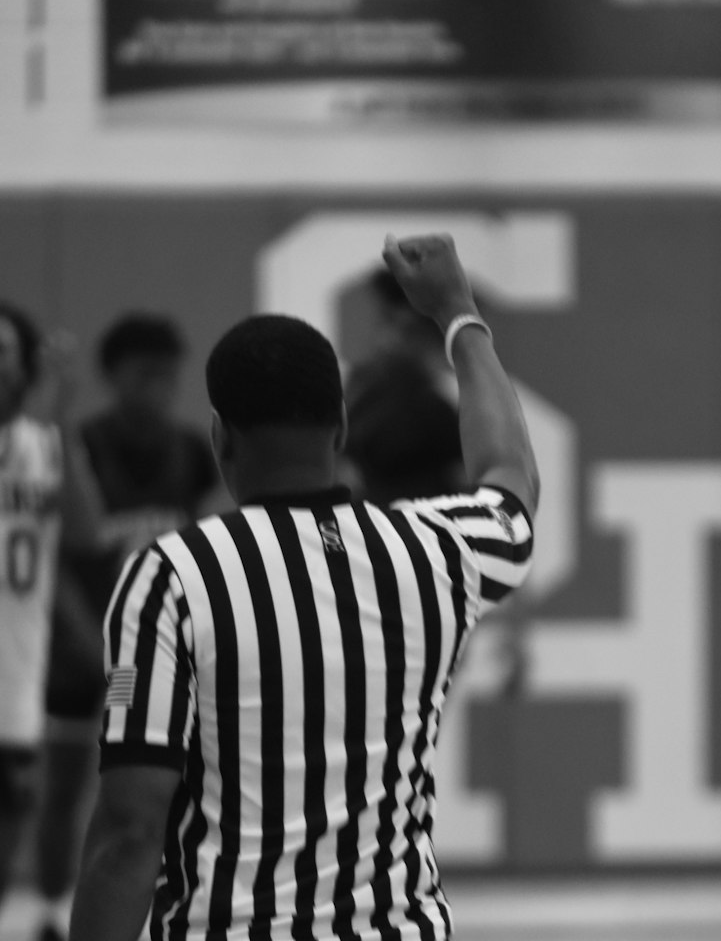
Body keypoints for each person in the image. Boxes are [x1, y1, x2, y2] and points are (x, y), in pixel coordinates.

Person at [68, 233, 539, 941]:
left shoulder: (169, 578)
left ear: (222, 439)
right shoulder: (435, 551)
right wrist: (458, 316)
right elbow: (510, 478)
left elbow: (130, 832)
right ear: (341, 427)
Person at [35, 313, 219, 941]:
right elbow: (59, 559)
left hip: (158, 649)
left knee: (157, 788)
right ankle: (52, 910)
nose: (159, 390)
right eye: (145, 377)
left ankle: (162, 900)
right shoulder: (79, 446)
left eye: (169, 378)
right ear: (114, 378)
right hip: (83, 648)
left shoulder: (192, 451)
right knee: (64, 784)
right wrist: (89, 641)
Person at [0, 303, 103, 916]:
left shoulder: (42, 440)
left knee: (16, 799)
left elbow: (89, 533)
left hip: (19, 656)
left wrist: (59, 428)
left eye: (6, 349)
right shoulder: (20, 439)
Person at [341, 266, 465, 503]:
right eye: (385, 319)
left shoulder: (449, 399)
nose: (387, 340)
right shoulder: (359, 389)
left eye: (407, 328)